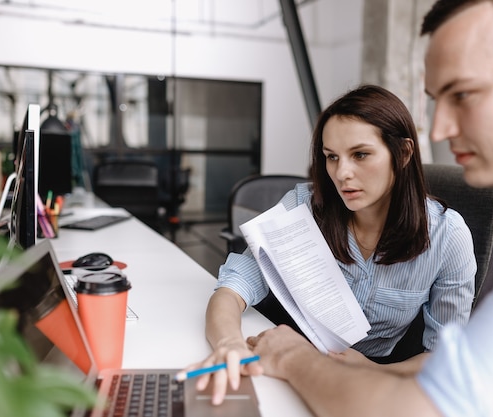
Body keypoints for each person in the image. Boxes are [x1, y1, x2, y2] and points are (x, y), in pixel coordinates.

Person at [245, 1, 493, 416]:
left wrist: (292, 357)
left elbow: (419, 406)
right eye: (435, 99)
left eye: (463, 94)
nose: (443, 128)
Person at [188, 84, 477, 405]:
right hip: (283, 362)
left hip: (366, 382)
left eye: (360, 154)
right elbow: (231, 289)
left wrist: (374, 370)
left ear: (404, 153)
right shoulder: (303, 205)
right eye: (331, 157)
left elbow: (442, 356)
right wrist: (228, 342)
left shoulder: (447, 236)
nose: (342, 173)